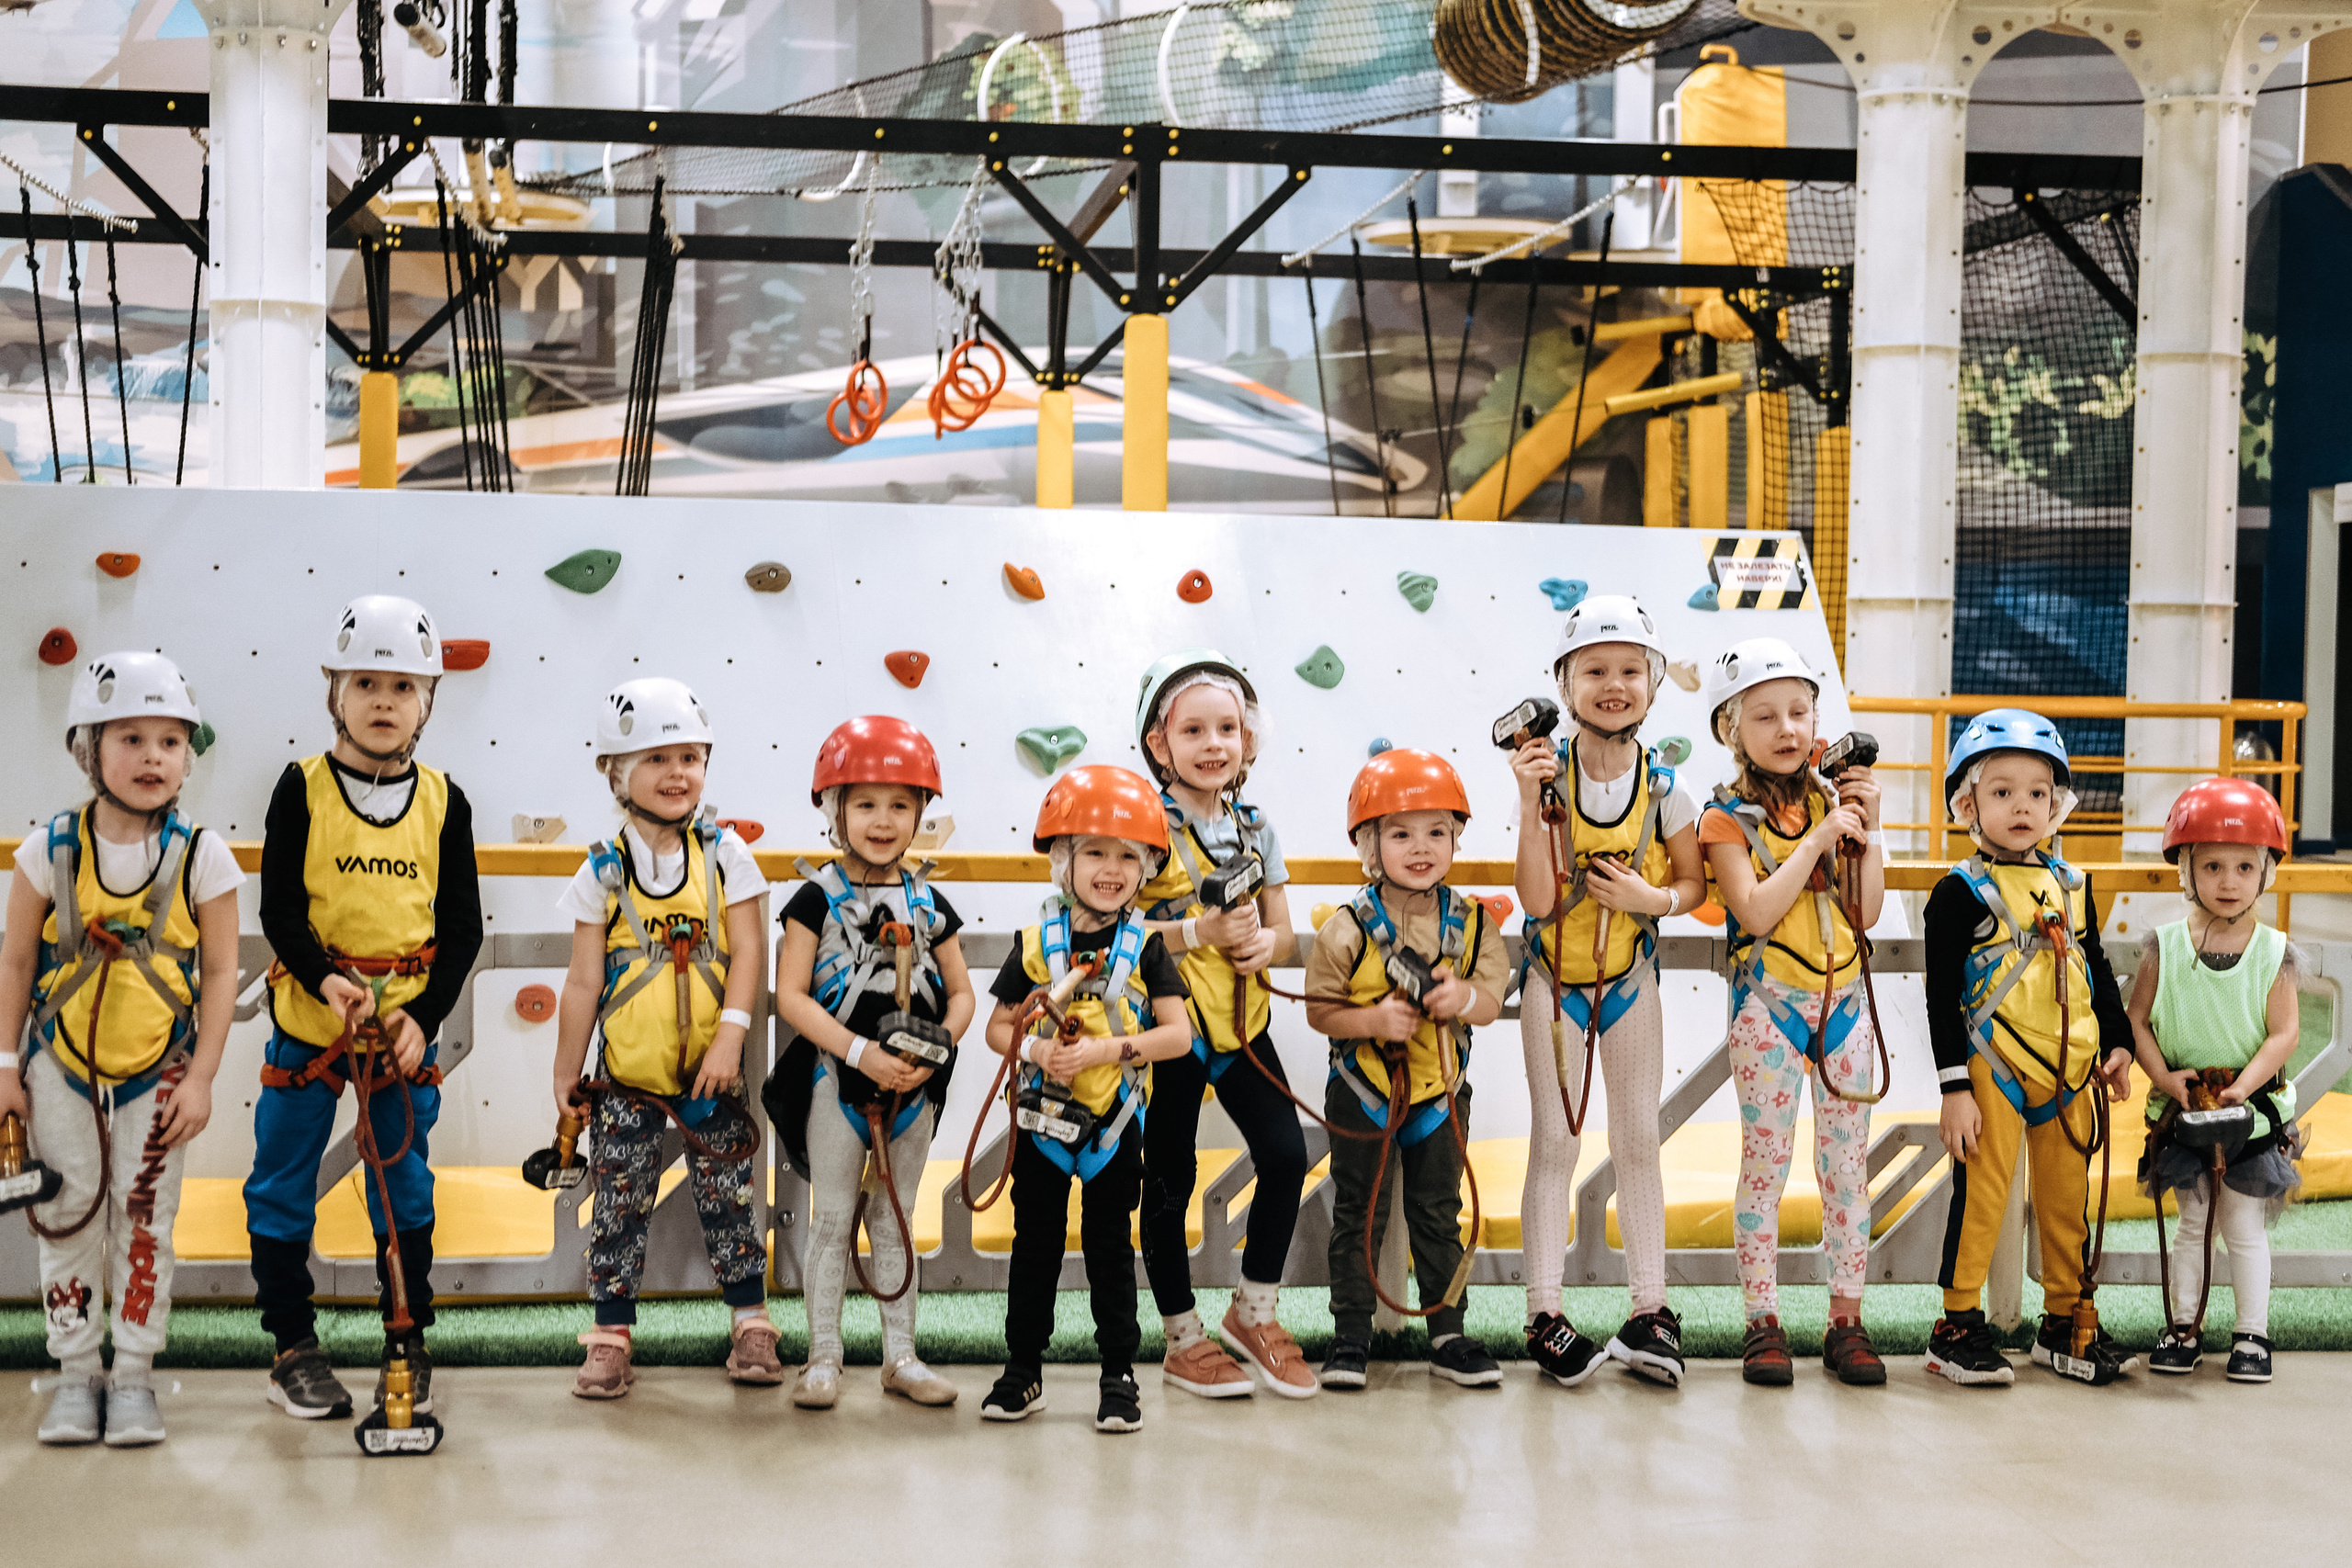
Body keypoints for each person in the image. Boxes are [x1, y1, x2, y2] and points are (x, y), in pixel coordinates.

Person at [248, 597, 482, 1424]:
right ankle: (292, 1347)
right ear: (334, 694)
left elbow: (462, 932)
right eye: (366, 683)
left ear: (427, 701)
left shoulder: (444, 802)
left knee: (404, 1192)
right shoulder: (300, 788)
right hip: (312, 1025)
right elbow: (279, 909)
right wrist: (322, 982)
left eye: (402, 686)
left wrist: (428, 1012)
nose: (384, 701)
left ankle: (405, 1335)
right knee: (280, 1184)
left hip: (400, 1037)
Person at [0, 653, 241, 1446]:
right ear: (88, 749)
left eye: (170, 742)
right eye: (130, 737)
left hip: (158, 1072)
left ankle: (133, 1374)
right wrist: (6, 1067)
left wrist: (201, 1077)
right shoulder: (49, 851)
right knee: (65, 1214)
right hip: (60, 1064)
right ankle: (76, 1373)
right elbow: (15, 961)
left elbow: (220, 973)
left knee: (145, 1220)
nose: (151, 757)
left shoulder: (204, 856)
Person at [553, 679, 776, 1399]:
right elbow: (585, 981)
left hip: (711, 1077)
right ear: (616, 773)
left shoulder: (726, 858)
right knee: (618, 1203)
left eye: (690, 756)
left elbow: (749, 952)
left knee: (731, 1198)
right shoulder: (602, 871)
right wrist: (567, 1074)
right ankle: (611, 1334)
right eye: (656, 758)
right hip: (627, 1079)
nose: (678, 773)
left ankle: (750, 1320)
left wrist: (730, 1041)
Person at [1509, 597, 1706, 1390]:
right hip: (1553, 983)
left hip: (1629, 981)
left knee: (1635, 1141)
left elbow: (1692, 882)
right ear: (1565, 681)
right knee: (1554, 1143)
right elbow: (1533, 899)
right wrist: (1528, 804)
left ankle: (1650, 1309)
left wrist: (1650, 902)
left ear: (1654, 685)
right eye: (1594, 669)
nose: (1613, 684)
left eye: (1630, 669)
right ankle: (1543, 1312)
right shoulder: (1545, 775)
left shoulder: (1667, 786)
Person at [978, 766, 1193, 1434]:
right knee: (1033, 1244)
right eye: (1095, 851)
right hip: (1042, 1120)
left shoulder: (1147, 947)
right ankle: (1023, 1368)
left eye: (1128, 854)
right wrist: (1038, 1051)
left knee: (1109, 1248)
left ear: (1148, 866)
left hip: (1112, 1126)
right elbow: (996, 1027)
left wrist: (1104, 1052)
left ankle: (1118, 1372)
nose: (1112, 867)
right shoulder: (1036, 946)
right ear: (1062, 860)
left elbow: (1178, 1036)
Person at [1924, 709, 2136, 1387]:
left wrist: (2119, 1042)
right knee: (1982, 1195)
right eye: (2003, 791)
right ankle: (1958, 1322)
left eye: (2038, 792)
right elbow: (1939, 996)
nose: (2023, 806)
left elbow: (2094, 967)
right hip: (1995, 1066)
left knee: (2065, 1199)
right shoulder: (1958, 892)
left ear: (2058, 804)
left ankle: (2064, 1321)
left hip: (2071, 1073)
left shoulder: (2072, 885)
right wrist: (1954, 1086)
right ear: (1969, 803)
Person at [1697, 637, 1888, 1388]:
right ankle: (1762, 1320)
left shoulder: (1837, 803)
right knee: (1765, 1168)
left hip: (1845, 1006)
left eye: (1800, 712)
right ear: (1730, 728)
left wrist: (1867, 830)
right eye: (1765, 715)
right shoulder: (1724, 819)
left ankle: (1846, 1318)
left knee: (1847, 1169)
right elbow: (1754, 907)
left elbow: (1863, 911)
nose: (1787, 728)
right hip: (1769, 1006)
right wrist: (1817, 839)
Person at [770, 716, 972, 1410]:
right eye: (865, 804)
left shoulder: (930, 904)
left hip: (914, 1088)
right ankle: (823, 1357)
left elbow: (964, 992)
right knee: (831, 1221)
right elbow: (790, 995)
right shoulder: (813, 900)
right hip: (838, 1082)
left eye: (900, 804)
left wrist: (933, 1051)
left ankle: (901, 1357)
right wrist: (860, 1054)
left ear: (920, 812)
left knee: (895, 1217)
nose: (883, 820)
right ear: (835, 810)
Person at [1133, 650, 1316, 1400]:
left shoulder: (1257, 826)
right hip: (1176, 1026)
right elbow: (1120, 932)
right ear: (1158, 743)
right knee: (1169, 1181)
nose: (1214, 743)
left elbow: (1290, 936)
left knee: (1285, 1154)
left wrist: (1264, 944)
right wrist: (1197, 935)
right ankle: (1181, 1334)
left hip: (1243, 1022)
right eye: (1194, 729)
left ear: (1249, 738)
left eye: (1229, 728)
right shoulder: (1142, 822)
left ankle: (1253, 1310)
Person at [1306, 750, 1508, 1391]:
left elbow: (1492, 998)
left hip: (1439, 1092)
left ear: (1455, 839)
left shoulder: (1474, 924)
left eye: (1437, 832)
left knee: (1437, 1212)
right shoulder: (1346, 928)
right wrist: (1372, 1023)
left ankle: (1448, 1333)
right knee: (1359, 1213)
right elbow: (1320, 1008)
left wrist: (1461, 1001)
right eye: (1400, 833)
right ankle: (1351, 1336)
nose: (1421, 847)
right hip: (1362, 1091)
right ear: (1368, 843)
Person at [2132, 778, 2301, 1384]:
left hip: (2250, 1116)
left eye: (2242, 866)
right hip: (2184, 1112)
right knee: (2193, 1224)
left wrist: (2245, 1087)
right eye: (2211, 865)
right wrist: (2162, 1075)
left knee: (2243, 1227)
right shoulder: (2165, 947)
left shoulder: (2273, 952)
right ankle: (2183, 1325)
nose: (2228, 880)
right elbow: (2137, 1021)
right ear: (2186, 869)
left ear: (2265, 872)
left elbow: (2284, 1033)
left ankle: (2252, 1334)